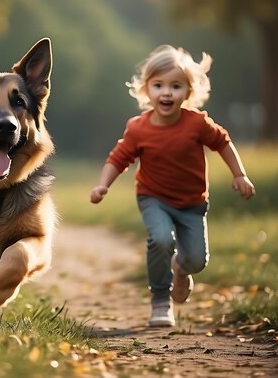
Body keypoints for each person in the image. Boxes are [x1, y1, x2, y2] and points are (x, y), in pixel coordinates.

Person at [89, 45, 255, 327]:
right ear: (146, 90)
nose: (166, 92)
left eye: (175, 86)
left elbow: (223, 143)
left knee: (196, 261)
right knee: (161, 240)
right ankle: (161, 300)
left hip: (192, 203)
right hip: (153, 198)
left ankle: (180, 268)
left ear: (188, 92)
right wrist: (103, 185)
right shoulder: (138, 128)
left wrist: (239, 174)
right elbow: (117, 158)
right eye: (158, 85)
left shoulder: (197, 124)